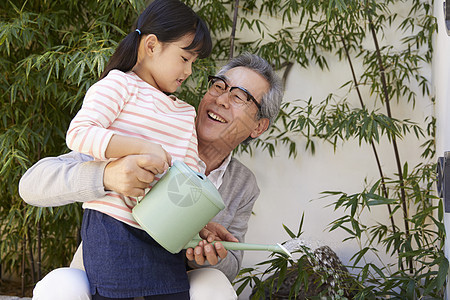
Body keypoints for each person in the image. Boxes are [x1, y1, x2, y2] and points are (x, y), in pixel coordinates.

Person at [19, 53, 283, 299]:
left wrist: (204, 253)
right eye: (219, 86)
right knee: (58, 285)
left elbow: (231, 266)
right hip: (102, 275)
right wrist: (106, 175)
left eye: (239, 97)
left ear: (259, 127)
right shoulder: (151, 128)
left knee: (214, 284)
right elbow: (31, 184)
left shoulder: (243, 184)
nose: (221, 100)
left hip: (172, 284)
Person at [59, 0, 212, 299]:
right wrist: (143, 147)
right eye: (184, 58)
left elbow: (192, 174)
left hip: (164, 235)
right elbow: (79, 133)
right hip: (113, 228)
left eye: (194, 62)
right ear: (152, 45)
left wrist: (201, 224)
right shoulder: (119, 85)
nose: (189, 70)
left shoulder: (184, 112)